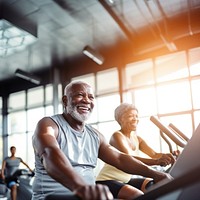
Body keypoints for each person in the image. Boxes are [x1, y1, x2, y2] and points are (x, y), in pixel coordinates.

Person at [32, 80, 173, 200]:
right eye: (80, 95)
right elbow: (50, 153)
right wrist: (81, 187)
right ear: (65, 100)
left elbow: (120, 158)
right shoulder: (48, 125)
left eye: (91, 97)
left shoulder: (95, 135)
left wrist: (156, 174)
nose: (86, 100)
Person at [96, 103, 177, 197]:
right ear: (121, 119)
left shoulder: (137, 139)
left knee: (154, 185)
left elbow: (154, 154)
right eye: (130, 116)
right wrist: (157, 161)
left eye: (136, 116)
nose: (135, 119)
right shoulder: (117, 136)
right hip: (107, 180)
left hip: (126, 180)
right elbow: (130, 159)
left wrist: (170, 156)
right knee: (138, 195)